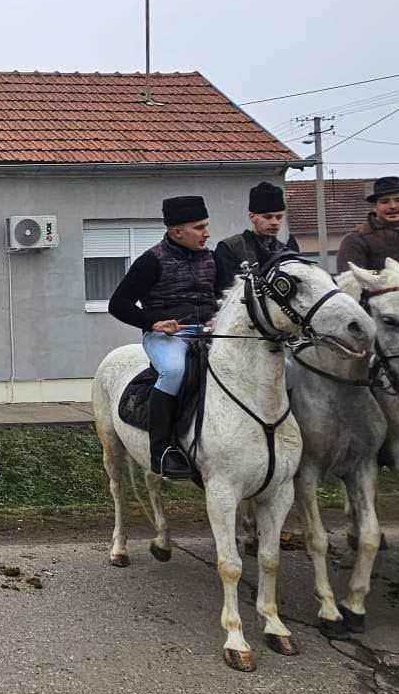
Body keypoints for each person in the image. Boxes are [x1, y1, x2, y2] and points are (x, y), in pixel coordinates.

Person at [107, 195, 232, 480]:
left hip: (209, 335)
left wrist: (220, 316)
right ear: (177, 232)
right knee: (174, 371)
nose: (207, 233)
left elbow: (228, 298)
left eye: (206, 226)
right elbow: (119, 303)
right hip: (167, 339)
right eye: (199, 227)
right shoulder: (150, 262)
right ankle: (162, 450)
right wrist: (153, 322)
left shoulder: (213, 260)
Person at [214, 181, 300, 277]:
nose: (275, 222)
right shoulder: (229, 248)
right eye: (268, 217)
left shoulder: (284, 251)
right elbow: (225, 288)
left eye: (279, 217)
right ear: (252, 217)